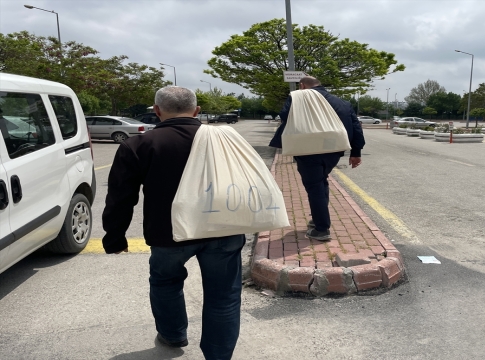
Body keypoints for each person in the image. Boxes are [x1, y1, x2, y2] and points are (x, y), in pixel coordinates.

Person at [102, 86, 245, 360]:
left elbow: (120, 197)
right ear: (197, 111)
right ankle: (218, 356)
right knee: (224, 295)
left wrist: (115, 237)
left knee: (165, 283)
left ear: (156, 111)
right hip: (223, 228)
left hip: (169, 233)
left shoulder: (139, 145)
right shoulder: (226, 139)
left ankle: (173, 334)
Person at [269, 76, 365, 241]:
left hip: (308, 150)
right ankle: (317, 218)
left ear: (302, 86)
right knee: (321, 182)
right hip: (334, 151)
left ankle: (322, 229)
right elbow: (356, 126)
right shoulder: (342, 102)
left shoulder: (298, 96)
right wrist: (356, 152)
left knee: (315, 187)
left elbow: (284, 115)